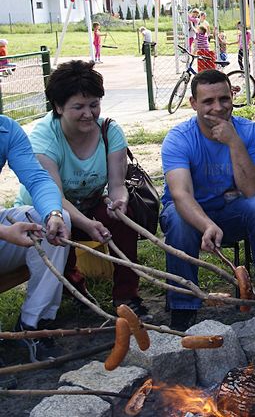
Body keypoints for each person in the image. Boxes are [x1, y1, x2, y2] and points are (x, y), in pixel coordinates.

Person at [17, 60, 150, 319]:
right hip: (49, 208)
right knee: (59, 225)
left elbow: (117, 185)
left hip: (89, 202)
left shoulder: (110, 131)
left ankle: (126, 295)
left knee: (124, 218)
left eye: (94, 105)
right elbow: (52, 196)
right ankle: (74, 287)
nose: (89, 114)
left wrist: (118, 202)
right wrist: (87, 225)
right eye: (78, 107)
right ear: (58, 107)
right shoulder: (44, 138)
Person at [160, 69, 255, 331]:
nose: (217, 107)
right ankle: (183, 308)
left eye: (223, 99)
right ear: (193, 103)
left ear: (232, 96)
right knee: (176, 218)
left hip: (231, 211)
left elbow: (252, 190)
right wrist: (205, 224)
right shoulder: (179, 138)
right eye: (208, 101)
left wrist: (234, 143)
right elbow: (180, 194)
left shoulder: (249, 131)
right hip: (191, 214)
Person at [1, 115, 70, 362]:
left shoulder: (5, 129)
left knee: (55, 219)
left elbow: (37, 179)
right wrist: (3, 232)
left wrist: (54, 213)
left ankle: (33, 324)